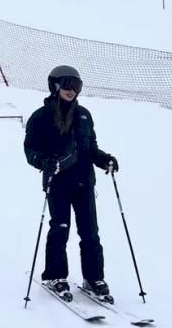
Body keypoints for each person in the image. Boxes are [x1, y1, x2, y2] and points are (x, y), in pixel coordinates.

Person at [24, 65, 119, 301]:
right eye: (67, 85)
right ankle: (56, 275)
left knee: (90, 232)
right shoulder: (41, 117)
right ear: (55, 86)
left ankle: (93, 277)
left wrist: (104, 159)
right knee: (60, 229)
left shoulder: (84, 115)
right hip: (57, 182)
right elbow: (30, 150)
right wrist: (45, 162)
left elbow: (90, 149)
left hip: (83, 182)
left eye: (76, 86)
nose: (72, 90)